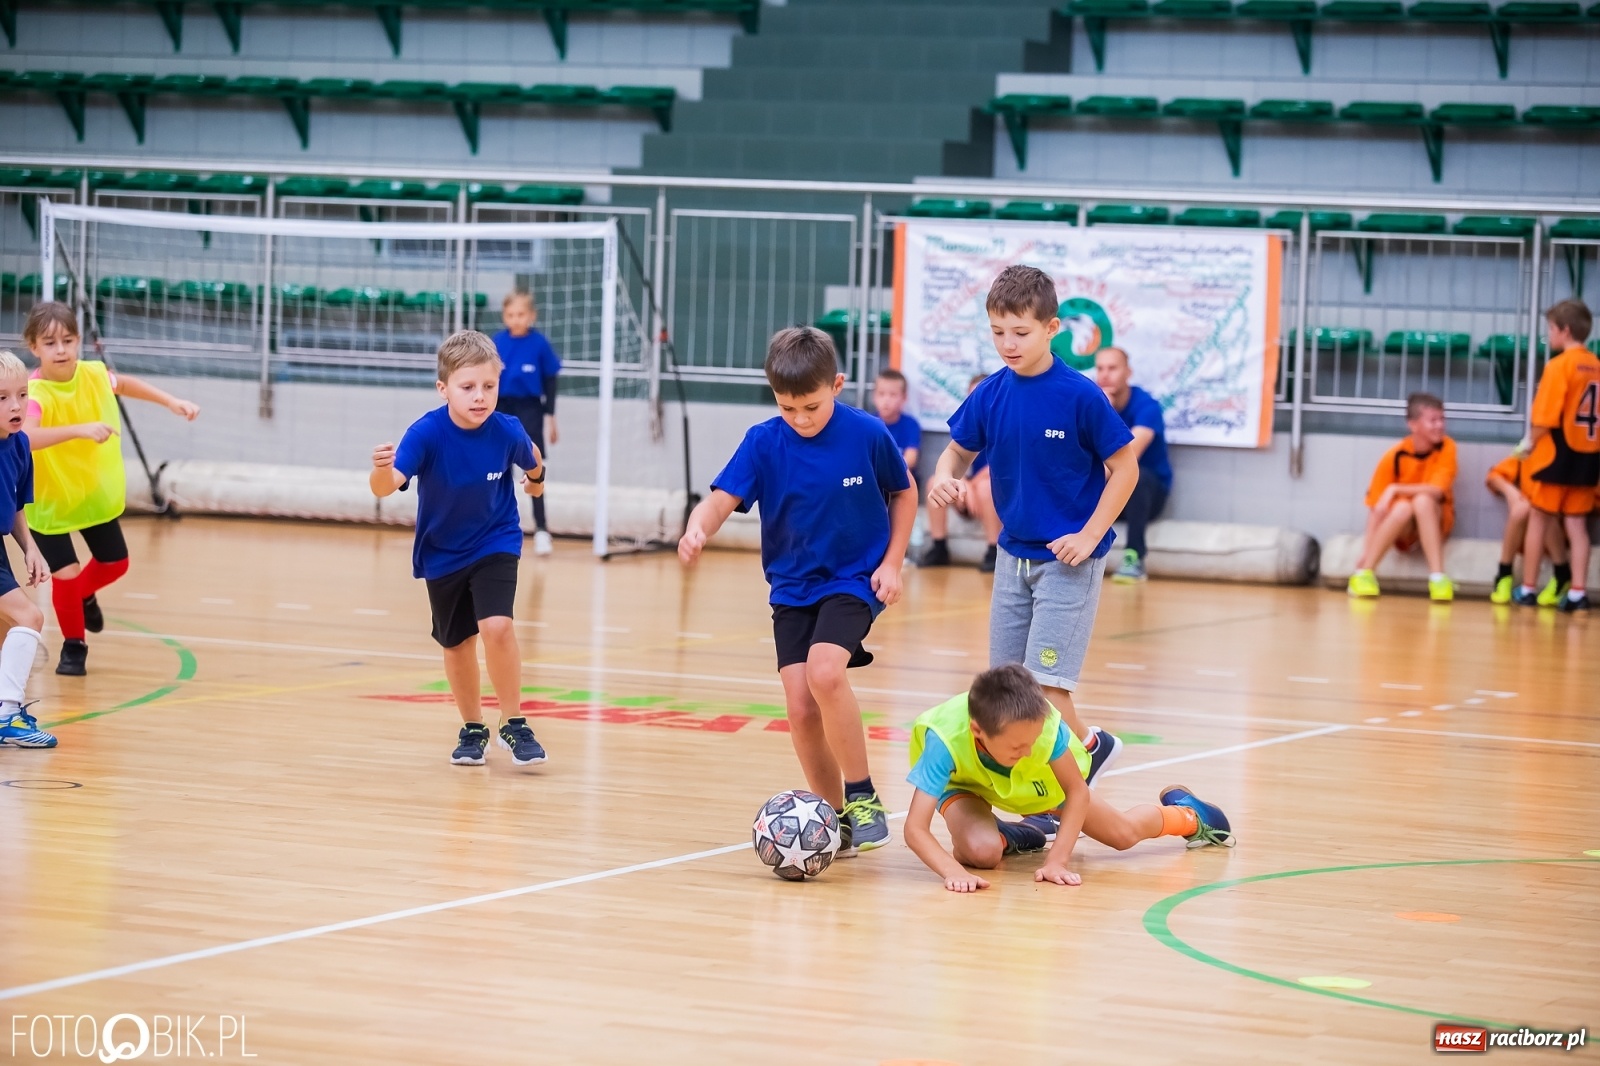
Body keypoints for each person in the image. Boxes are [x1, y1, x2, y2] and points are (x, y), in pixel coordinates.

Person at [679, 326, 915, 854]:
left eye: (811, 406)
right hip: (791, 587)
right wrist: (699, 528)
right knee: (801, 707)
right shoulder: (764, 441)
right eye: (788, 408)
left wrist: (893, 563)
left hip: (854, 579)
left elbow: (903, 492)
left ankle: (863, 794)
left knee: (826, 671)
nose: (801, 419)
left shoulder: (867, 433)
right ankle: (834, 823)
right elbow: (719, 500)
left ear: (837, 384)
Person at [926, 265, 1139, 787]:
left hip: (1068, 561)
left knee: (1045, 687)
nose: (1008, 344)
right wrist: (942, 476)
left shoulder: (1080, 395)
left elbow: (1126, 468)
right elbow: (954, 452)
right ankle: (1086, 751)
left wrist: (1090, 536)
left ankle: (1070, 779)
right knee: (1008, 690)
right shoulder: (991, 393)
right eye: (998, 332)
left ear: (1052, 327)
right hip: (1011, 558)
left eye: (1020, 332)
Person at [370, 330, 550, 768]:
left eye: (489, 387)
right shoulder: (426, 433)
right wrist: (378, 471)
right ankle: (473, 727)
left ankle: (514, 722)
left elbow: (534, 458)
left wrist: (537, 483)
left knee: (497, 626)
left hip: (496, 539)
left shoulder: (506, 429)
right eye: (467, 387)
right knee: (457, 643)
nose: (480, 396)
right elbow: (386, 485)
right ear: (443, 388)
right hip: (442, 551)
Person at [903, 664, 1234, 893]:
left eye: (1033, 741)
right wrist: (954, 874)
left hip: (1044, 787)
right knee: (982, 853)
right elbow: (915, 829)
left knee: (1123, 835)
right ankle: (1008, 835)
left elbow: (1077, 792)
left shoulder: (1043, 727)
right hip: (968, 785)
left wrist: (1057, 861)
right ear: (978, 731)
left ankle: (1188, 814)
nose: (1030, 750)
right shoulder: (943, 740)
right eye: (1018, 746)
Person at [20, 301, 199, 676]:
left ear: (79, 341)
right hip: (49, 499)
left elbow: (127, 383)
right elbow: (28, 437)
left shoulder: (94, 374)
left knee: (116, 562)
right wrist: (79, 429)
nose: (61, 350)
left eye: (68, 340)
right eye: (50, 343)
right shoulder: (33, 393)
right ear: (33, 347)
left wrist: (171, 401)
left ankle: (85, 594)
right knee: (65, 574)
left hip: (90, 493)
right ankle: (74, 646)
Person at [1513, 299, 1597, 612]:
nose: (1549, 334)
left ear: (1564, 330)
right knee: (1577, 525)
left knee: (1539, 518)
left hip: (1557, 452)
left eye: (1551, 328)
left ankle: (1529, 588)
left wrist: (1528, 443)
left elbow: (1545, 417)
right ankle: (1578, 592)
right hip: (1589, 455)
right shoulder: (1597, 366)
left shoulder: (1559, 366)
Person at [1346, 392, 1457, 602]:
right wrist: (1366, 552)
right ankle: (1364, 575)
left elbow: (1436, 490)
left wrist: (1396, 489)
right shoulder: (1394, 455)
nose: (1440, 425)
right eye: (1433, 420)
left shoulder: (1447, 447)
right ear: (1413, 425)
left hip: (1437, 521)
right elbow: (1376, 508)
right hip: (1404, 530)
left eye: (1442, 419)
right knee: (1403, 508)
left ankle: (1438, 578)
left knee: (1423, 500)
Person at [0, 351, 56, 750]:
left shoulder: (20, 446)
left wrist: (31, 549)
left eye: (21, 394)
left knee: (8, 628)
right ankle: (8, 716)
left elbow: (17, 505)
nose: (16, 405)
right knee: (29, 615)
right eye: (1, 397)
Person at [492, 291, 561, 557]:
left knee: (535, 469)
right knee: (498, 471)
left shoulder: (540, 345)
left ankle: (542, 529)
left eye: (521, 314)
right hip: (501, 410)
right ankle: (497, 527)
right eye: (510, 315)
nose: (516, 319)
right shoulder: (496, 343)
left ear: (531, 316)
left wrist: (552, 418)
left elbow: (551, 383)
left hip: (530, 410)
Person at [1095, 346, 1171, 584]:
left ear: (1128, 372)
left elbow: (1128, 457)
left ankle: (1134, 557)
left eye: (1112, 368)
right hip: (1105, 489)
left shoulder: (1147, 406)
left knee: (1135, 475)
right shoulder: (1089, 402)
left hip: (1146, 496)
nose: (1105, 374)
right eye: (1100, 368)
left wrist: (1104, 412)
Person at [920, 373, 1001, 573]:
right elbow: (958, 456)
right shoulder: (969, 422)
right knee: (935, 483)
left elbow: (997, 465)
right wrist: (963, 481)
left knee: (984, 488)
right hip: (974, 483)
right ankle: (939, 546)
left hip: (996, 486)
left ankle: (993, 550)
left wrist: (972, 486)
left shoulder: (1002, 422)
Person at [1485, 452, 1570, 606]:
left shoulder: (1565, 452)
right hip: (1528, 523)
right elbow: (1494, 475)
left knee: (1543, 511)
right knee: (1522, 509)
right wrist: (1510, 491)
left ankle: (1561, 574)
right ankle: (1504, 574)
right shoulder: (1530, 450)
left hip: (1557, 524)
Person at [872, 367, 920, 471]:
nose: (886, 400)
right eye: (881, 394)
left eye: (893, 395)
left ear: (904, 398)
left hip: (901, 479)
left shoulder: (910, 424)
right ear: (874, 396)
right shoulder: (868, 424)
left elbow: (911, 459)